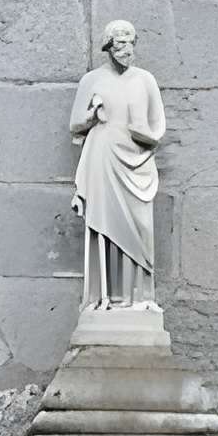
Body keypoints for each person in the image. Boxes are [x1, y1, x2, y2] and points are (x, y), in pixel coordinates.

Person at [69, 19, 165, 311]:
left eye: (130, 43)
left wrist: (147, 136)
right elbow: (75, 124)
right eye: (119, 44)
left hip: (138, 160)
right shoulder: (92, 80)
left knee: (141, 226)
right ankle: (104, 296)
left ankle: (141, 296)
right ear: (108, 46)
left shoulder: (145, 79)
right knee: (105, 226)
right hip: (103, 157)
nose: (126, 50)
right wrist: (92, 116)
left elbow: (158, 123)